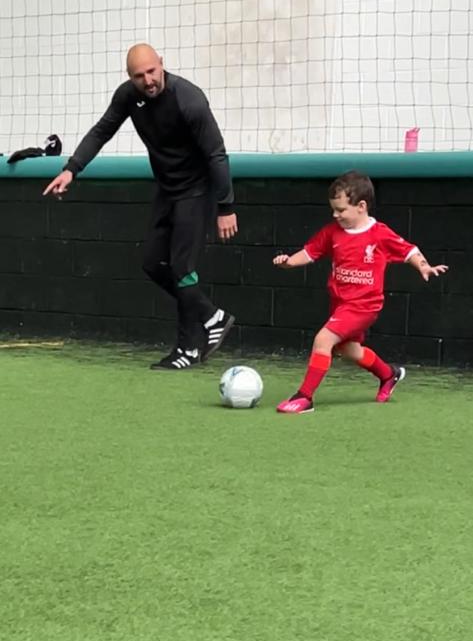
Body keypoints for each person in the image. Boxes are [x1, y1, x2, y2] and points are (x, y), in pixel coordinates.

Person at [43, 44, 238, 369]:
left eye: (151, 71)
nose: (148, 80)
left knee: (182, 268)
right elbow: (102, 130)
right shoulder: (127, 96)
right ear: (129, 77)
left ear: (161, 64)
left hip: (196, 190)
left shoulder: (188, 99)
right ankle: (211, 315)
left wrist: (226, 207)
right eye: (139, 76)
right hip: (167, 189)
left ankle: (188, 349)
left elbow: (217, 154)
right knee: (152, 263)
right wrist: (71, 169)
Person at [273, 170, 448, 414]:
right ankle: (388, 374)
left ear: (361, 206)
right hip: (340, 303)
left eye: (341, 210)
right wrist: (289, 262)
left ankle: (304, 397)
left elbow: (409, 251)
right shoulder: (332, 232)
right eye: (333, 209)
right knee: (349, 350)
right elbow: (310, 252)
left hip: (364, 306)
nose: (335, 215)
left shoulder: (379, 234)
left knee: (323, 340)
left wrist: (424, 266)